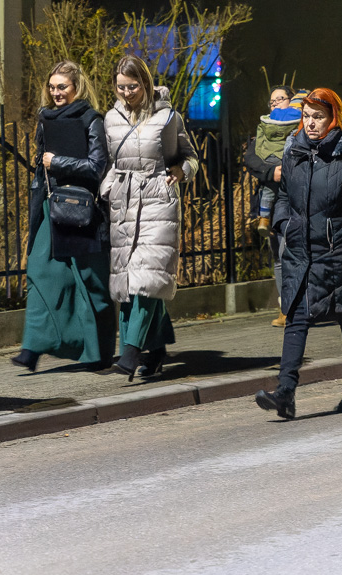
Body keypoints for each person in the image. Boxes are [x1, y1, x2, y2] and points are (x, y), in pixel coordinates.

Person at [255, 88, 342, 419]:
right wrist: (283, 223)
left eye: (317, 117)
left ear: (332, 118)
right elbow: (283, 196)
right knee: (296, 316)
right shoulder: (294, 151)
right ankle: (285, 393)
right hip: (300, 251)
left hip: (338, 253)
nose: (310, 123)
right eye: (306, 116)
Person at [10, 60, 114, 373]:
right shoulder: (45, 118)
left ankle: (98, 351)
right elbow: (41, 167)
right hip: (50, 206)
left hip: (83, 208)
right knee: (40, 272)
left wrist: (59, 162)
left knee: (89, 278)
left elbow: (98, 166)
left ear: (76, 87)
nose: (56, 93)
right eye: (52, 87)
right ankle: (32, 347)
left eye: (62, 87)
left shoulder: (91, 119)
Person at [101, 55, 199, 381]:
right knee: (131, 283)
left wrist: (181, 170)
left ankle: (129, 352)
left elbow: (190, 157)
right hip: (123, 204)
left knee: (147, 279)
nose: (126, 93)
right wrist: (106, 189)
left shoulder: (168, 116)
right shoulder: (111, 119)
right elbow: (113, 163)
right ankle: (155, 351)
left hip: (158, 200)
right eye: (120, 87)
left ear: (145, 83)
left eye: (133, 86)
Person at [243, 85, 300, 327]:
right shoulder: (264, 131)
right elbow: (251, 158)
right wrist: (270, 171)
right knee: (278, 256)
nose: (275, 103)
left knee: (291, 254)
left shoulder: (302, 127)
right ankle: (285, 309)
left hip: (296, 201)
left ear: (292, 100)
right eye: (272, 101)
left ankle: (299, 307)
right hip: (271, 200)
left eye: (280, 99)